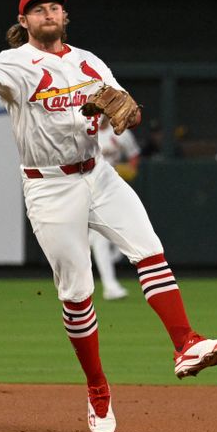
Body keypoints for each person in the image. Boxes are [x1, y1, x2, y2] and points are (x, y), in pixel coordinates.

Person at [0, 0, 217, 432]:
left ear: (65, 17)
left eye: (54, 6)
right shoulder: (13, 64)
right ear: (24, 22)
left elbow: (127, 112)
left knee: (149, 251)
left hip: (98, 173)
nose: (48, 13)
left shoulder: (89, 61)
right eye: (38, 9)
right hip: (50, 186)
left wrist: (126, 112)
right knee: (77, 294)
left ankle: (186, 345)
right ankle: (97, 388)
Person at [89, 117, 141, 301]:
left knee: (124, 232)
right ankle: (110, 286)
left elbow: (134, 155)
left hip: (113, 188)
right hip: (89, 189)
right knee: (100, 239)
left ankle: (96, 252)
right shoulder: (86, 131)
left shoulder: (120, 133)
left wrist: (129, 170)